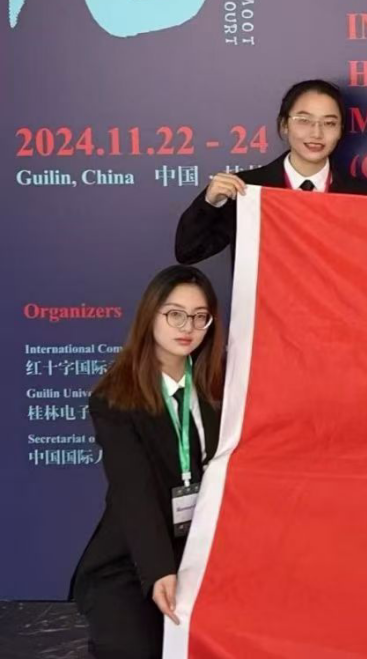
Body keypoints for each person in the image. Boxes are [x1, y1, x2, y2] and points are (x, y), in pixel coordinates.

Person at [71, 265, 226, 659]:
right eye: (175, 314)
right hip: (134, 556)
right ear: (150, 315)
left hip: (205, 552)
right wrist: (159, 569)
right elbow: (133, 490)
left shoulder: (222, 385)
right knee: (135, 646)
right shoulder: (114, 397)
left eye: (200, 316)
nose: (188, 327)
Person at [174, 79, 367, 263]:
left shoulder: (362, 196)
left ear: (340, 131)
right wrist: (210, 202)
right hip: (264, 320)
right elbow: (188, 252)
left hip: (338, 320)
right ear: (284, 125)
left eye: (329, 123)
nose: (316, 133)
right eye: (304, 121)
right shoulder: (247, 190)